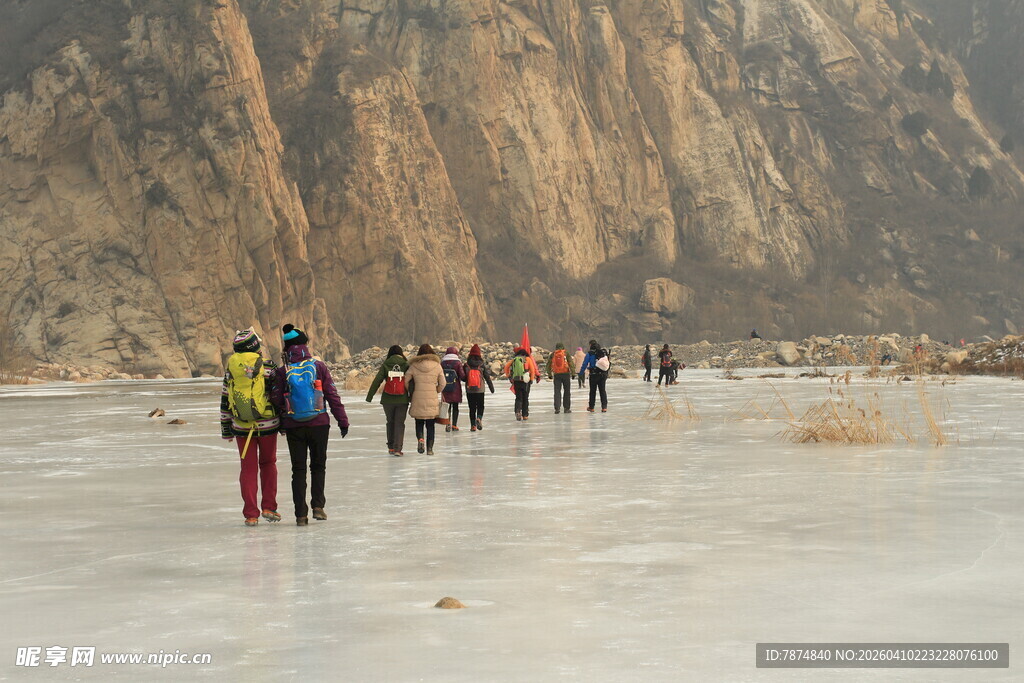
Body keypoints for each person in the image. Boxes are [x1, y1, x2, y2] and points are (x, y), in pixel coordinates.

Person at [271, 324, 349, 526]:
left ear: (287, 347)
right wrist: (342, 420)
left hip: (294, 425)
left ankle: (300, 515)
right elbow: (332, 394)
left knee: (298, 469)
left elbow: (277, 400)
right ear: (305, 344)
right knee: (318, 466)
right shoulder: (318, 366)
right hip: (319, 423)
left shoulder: (283, 370)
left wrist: (282, 423)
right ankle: (318, 506)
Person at [221, 328, 280, 527]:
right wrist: (285, 425)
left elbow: (225, 398)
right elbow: (277, 396)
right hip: (268, 426)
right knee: (268, 464)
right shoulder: (269, 367)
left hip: (241, 427)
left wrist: (226, 428)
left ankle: (251, 514)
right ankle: (269, 507)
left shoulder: (231, 369)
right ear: (256, 347)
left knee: (247, 468)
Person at [365, 345, 410, 456]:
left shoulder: (386, 364)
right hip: (402, 399)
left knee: (390, 422)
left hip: (387, 399)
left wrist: (369, 396)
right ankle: (398, 449)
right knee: (399, 423)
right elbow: (412, 381)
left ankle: (390, 447)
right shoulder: (406, 365)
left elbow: (377, 381)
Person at [405, 344, 446, 454]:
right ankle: (430, 449)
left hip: (417, 397)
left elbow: (406, 380)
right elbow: (443, 383)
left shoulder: (414, 365)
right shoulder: (437, 365)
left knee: (419, 422)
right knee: (430, 425)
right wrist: (436, 390)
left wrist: (411, 390)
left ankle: (421, 439)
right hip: (431, 397)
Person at [504, 346, 542, 421]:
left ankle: (517, 411)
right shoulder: (528, 359)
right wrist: (531, 379)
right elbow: (532, 369)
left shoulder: (514, 359)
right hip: (525, 381)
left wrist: (509, 376)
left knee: (518, 398)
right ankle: (525, 415)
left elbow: (506, 367)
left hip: (516, 380)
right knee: (525, 398)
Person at [464, 344, 495, 431]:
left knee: (472, 408)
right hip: (480, 389)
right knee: (480, 406)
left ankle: (473, 426)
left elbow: (463, 378)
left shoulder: (466, 365)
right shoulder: (481, 365)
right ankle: (479, 418)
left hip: (469, 389)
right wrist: (491, 388)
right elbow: (487, 377)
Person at [440, 346, 467, 432]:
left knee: (447, 407)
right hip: (455, 387)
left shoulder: (442, 363)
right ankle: (454, 425)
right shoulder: (458, 363)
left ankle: (447, 424)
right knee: (455, 407)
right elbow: (462, 376)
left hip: (445, 387)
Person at [579, 342, 610, 412]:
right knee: (602, 391)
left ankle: (591, 407)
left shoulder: (589, 354)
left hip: (593, 375)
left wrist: (581, 373)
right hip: (602, 375)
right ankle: (604, 407)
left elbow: (585, 364)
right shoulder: (603, 354)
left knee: (592, 391)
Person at [545, 342, 575, 413]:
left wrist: (549, 374)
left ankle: (557, 408)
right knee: (567, 391)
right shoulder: (566, 353)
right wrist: (573, 373)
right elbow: (571, 363)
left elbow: (548, 364)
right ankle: (566, 408)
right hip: (566, 374)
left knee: (557, 391)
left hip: (557, 374)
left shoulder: (553, 354)